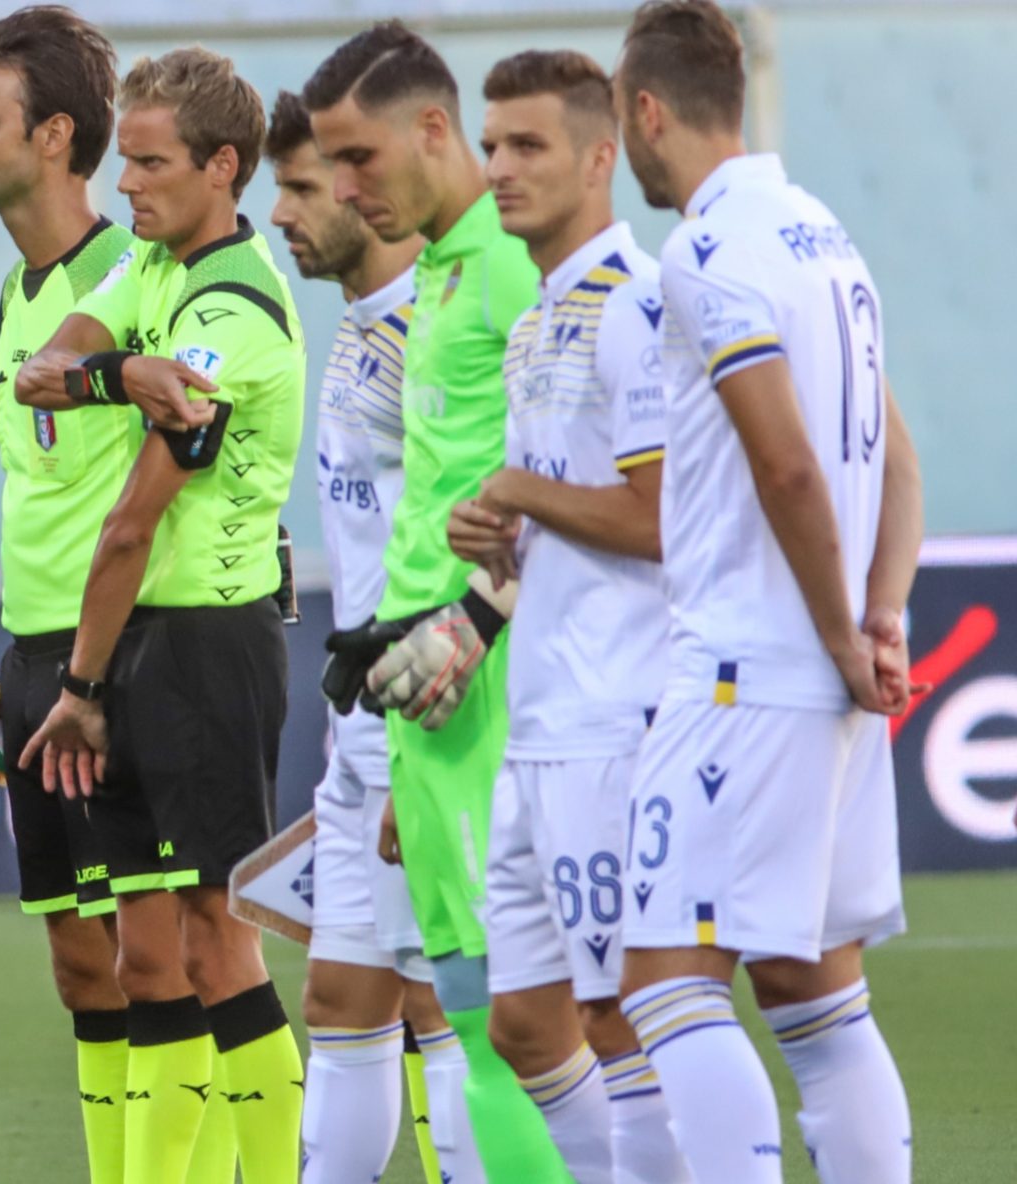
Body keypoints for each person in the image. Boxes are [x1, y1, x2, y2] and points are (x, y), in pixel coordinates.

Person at [612, 4, 919, 1179]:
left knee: (663, 982)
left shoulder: (701, 251)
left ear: (646, 109)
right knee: (811, 986)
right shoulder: (823, 235)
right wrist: (881, 614)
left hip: (745, 668)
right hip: (825, 687)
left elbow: (785, 458)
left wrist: (844, 632)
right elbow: (896, 457)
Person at [13, 46, 305, 1184]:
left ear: (222, 166)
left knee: (218, 941)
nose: (122, 184)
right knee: (160, 953)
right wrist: (115, 373)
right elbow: (47, 370)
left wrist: (80, 689)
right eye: (123, 159)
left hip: (202, 648)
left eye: (148, 163)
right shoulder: (151, 266)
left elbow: (133, 524)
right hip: (142, 645)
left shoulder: (230, 313)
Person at [299, 26, 567, 1181]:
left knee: (513, 1027)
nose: (349, 190)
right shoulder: (446, 270)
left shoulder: (509, 270)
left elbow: (575, 471)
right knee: (468, 1008)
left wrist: (483, 617)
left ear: (430, 130)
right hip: (424, 701)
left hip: (487, 687)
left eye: (357, 159)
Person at [452, 49, 692, 1184]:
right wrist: (496, 545)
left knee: (618, 1015)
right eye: (491, 143)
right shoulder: (536, 319)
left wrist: (517, 493)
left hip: (612, 713)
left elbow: (658, 517)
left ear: (602, 156)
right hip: (537, 716)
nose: (497, 167)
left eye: (527, 144)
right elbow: (555, 507)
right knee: (524, 1024)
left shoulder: (636, 308)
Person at [259, 92, 481, 1184]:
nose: (288, 210)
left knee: (450, 1008)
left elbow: (467, 545)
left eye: (306, 186)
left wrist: (414, 759)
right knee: (341, 1002)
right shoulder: (353, 327)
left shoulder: (434, 331)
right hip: (363, 725)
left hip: (427, 722)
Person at [0, 10, 141, 1182]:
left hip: (117, 658)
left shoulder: (133, 277)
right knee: (81, 968)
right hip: (30, 651)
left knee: (171, 955)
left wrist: (93, 673)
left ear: (53, 134)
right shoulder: (20, 293)